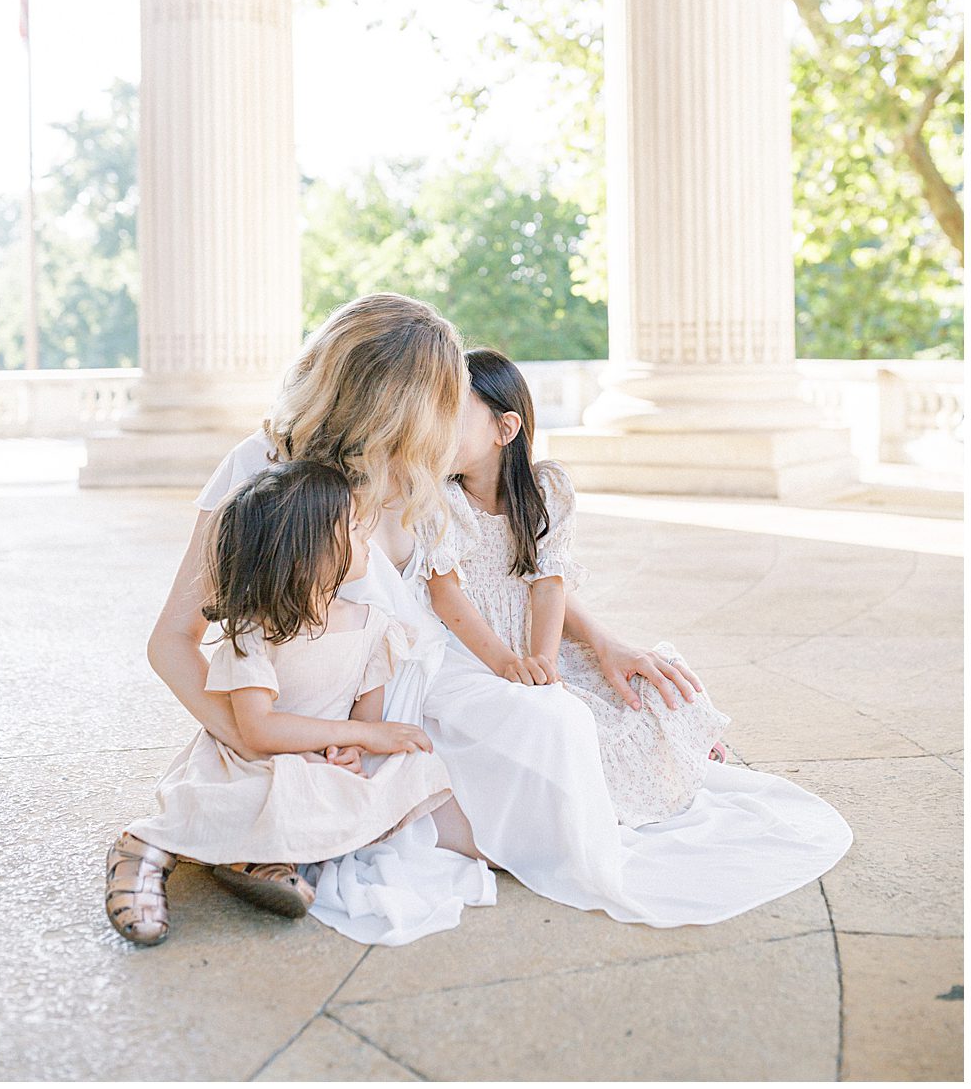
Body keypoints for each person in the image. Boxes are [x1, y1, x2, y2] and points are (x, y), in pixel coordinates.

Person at [113, 292, 851, 945]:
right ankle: (239, 825)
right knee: (429, 806)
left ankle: (298, 829)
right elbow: (171, 641)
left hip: (418, 673)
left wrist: (599, 637)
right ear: (381, 401)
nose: (443, 417)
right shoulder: (262, 469)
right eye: (435, 397)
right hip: (315, 686)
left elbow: (513, 571)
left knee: (553, 739)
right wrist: (257, 735)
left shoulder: (412, 463)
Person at [106, 459, 456, 946]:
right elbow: (258, 730)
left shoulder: (374, 626)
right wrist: (360, 735)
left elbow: (364, 716)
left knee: (402, 774)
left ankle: (256, 857)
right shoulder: (256, 627)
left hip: (317, 763)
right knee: (249, 790)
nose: (366, 535)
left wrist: (351, 749)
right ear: (308, 551)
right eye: (353, 527)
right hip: (251, 757)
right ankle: (146, 846)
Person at [415, 347, 730, 829]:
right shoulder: (441, 498)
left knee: (643, 688)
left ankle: (675, 752)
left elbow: (548, 583)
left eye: (451, 414)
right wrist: (508, 664)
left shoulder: (546, 490)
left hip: (537, 640)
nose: (435, 429)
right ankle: (631, 774)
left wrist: (544, 664)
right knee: (557, 724)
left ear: (506, 429)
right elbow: (445, 593)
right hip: (476, 648)